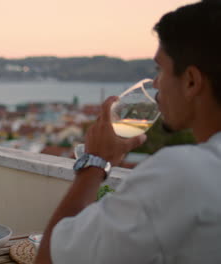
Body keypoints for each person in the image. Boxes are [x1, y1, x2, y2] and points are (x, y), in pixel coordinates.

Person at [36, 1, 221, 263]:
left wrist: (95, 162)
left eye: (160, 69)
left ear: (191, 81)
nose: (156, 84)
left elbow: (50, 258)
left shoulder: (183, 173)